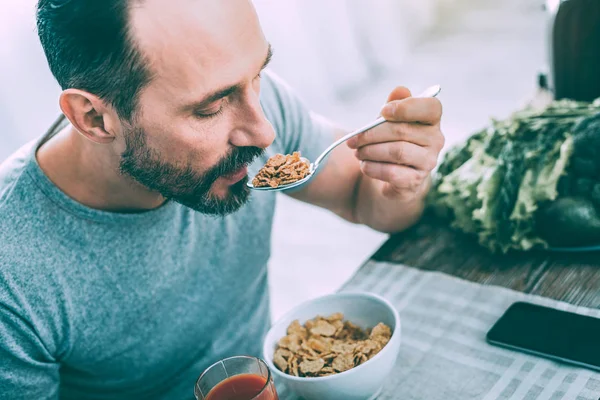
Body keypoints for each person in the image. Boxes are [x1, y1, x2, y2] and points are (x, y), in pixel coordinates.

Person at [0, 0, 444, 398]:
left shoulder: (254, 108)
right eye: (209, 109)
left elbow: (364, 200)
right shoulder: (14, 275)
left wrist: (401, 179)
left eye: (256, 75)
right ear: (94, 117)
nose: (264, 132)